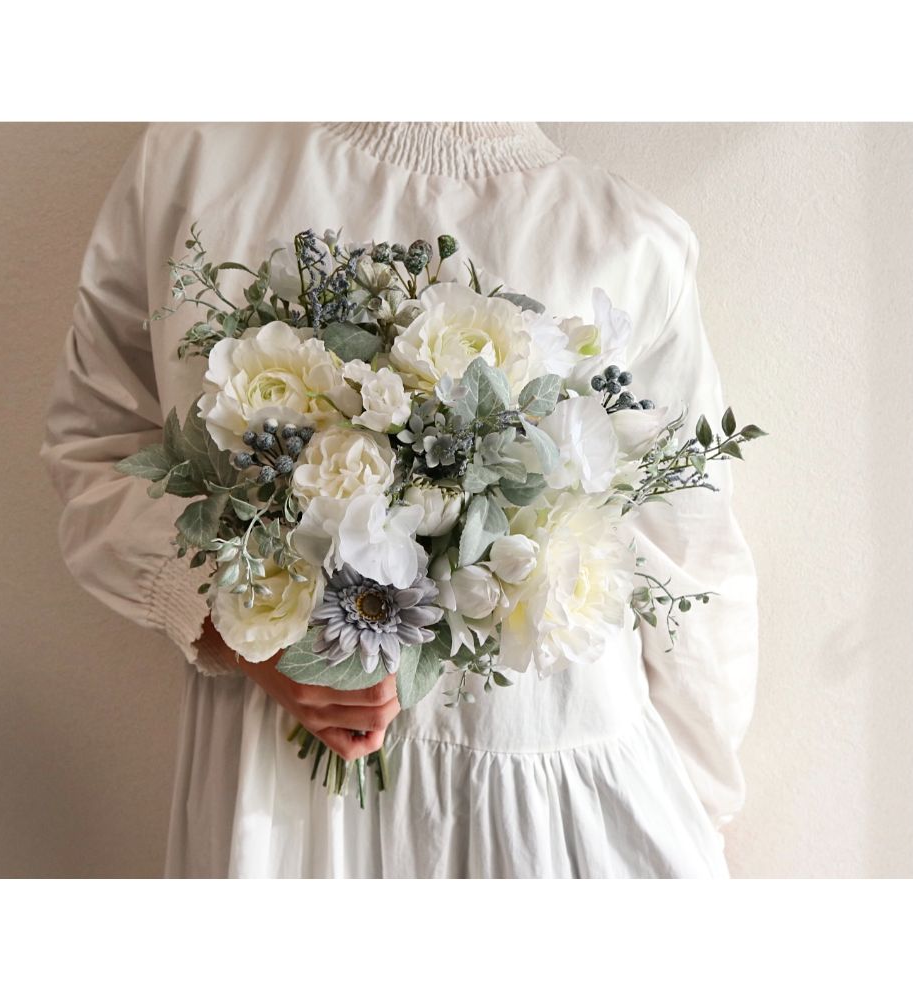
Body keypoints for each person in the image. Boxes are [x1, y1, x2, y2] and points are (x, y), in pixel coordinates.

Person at [39, 122, 759, 878]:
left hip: (552, 799)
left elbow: (690, 559)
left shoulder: (631, 241)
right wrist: (243, 627)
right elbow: (94, 446)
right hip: (286, 795)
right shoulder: (197, 162)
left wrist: (700, 811)